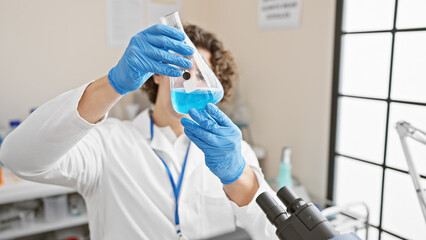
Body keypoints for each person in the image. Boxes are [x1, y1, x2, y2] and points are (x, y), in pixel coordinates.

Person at [0, 23, 278, 239]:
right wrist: (113, 83)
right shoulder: (107, 143)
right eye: (182, 71)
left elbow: (272, 234)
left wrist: (238, 177)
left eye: (201, 74)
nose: (191, 83)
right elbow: (18, 158)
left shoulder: (233, 150)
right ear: (157, 72)